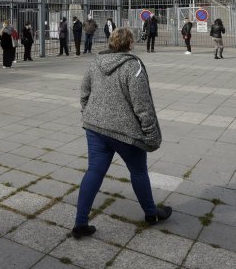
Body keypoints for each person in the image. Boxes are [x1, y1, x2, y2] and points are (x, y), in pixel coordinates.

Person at [73, 27, 171, 239]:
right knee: (138, 172)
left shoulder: (94, 63)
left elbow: (83, 95)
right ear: (129, 44)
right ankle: (151, 213)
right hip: (126, 133)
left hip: (95, 128)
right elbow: (143, 106)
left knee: (94, 172)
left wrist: (90, 114)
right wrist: (152, 135)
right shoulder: (132, 66)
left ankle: (80, 223)